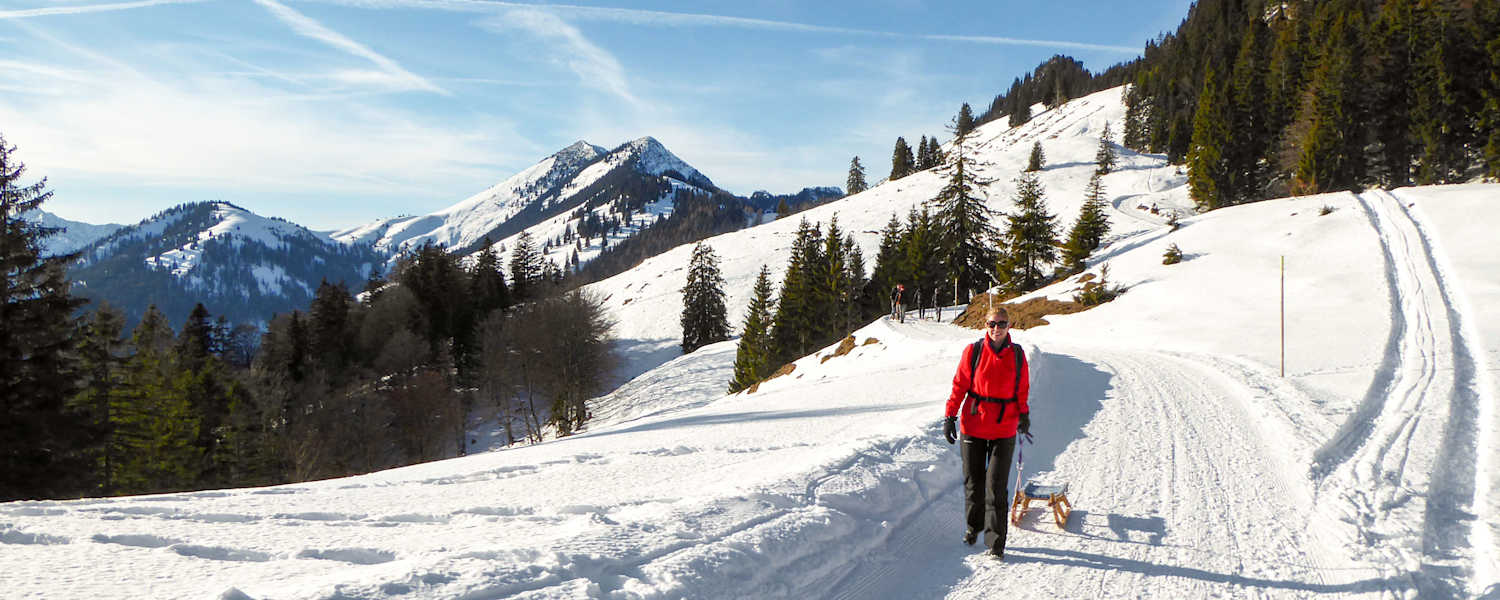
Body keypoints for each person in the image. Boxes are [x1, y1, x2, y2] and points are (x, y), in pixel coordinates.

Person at [942, 307, 1031, 558]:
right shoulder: (973, 351)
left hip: (1004, 426)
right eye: (992, 323)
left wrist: (1023, 414)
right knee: (973, 482)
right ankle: (974, 527)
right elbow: (959, 385)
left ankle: (996, 542)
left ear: (1009, 326)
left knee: (996, 486)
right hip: (974, 424)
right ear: (986, 325)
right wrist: (950, 416)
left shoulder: (1017, 354)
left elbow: (1022, 388)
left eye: (1001, 323)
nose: (996, 328)